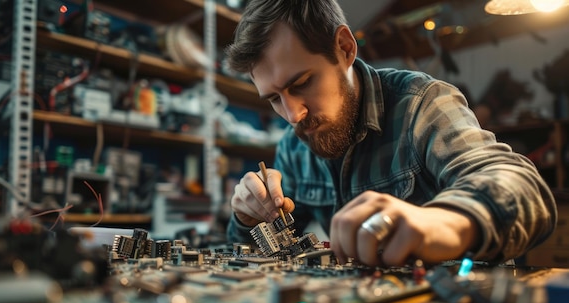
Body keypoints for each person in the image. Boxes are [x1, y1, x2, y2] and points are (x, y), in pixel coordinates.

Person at [224, 0, 557, 267]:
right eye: (273, 99)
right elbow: (264, 256)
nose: (293, 114)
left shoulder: (420, 104)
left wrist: (444, 222)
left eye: (301, 83)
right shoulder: (294, 145)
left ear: (344, 48)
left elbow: (524, 190)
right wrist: (248, 218)